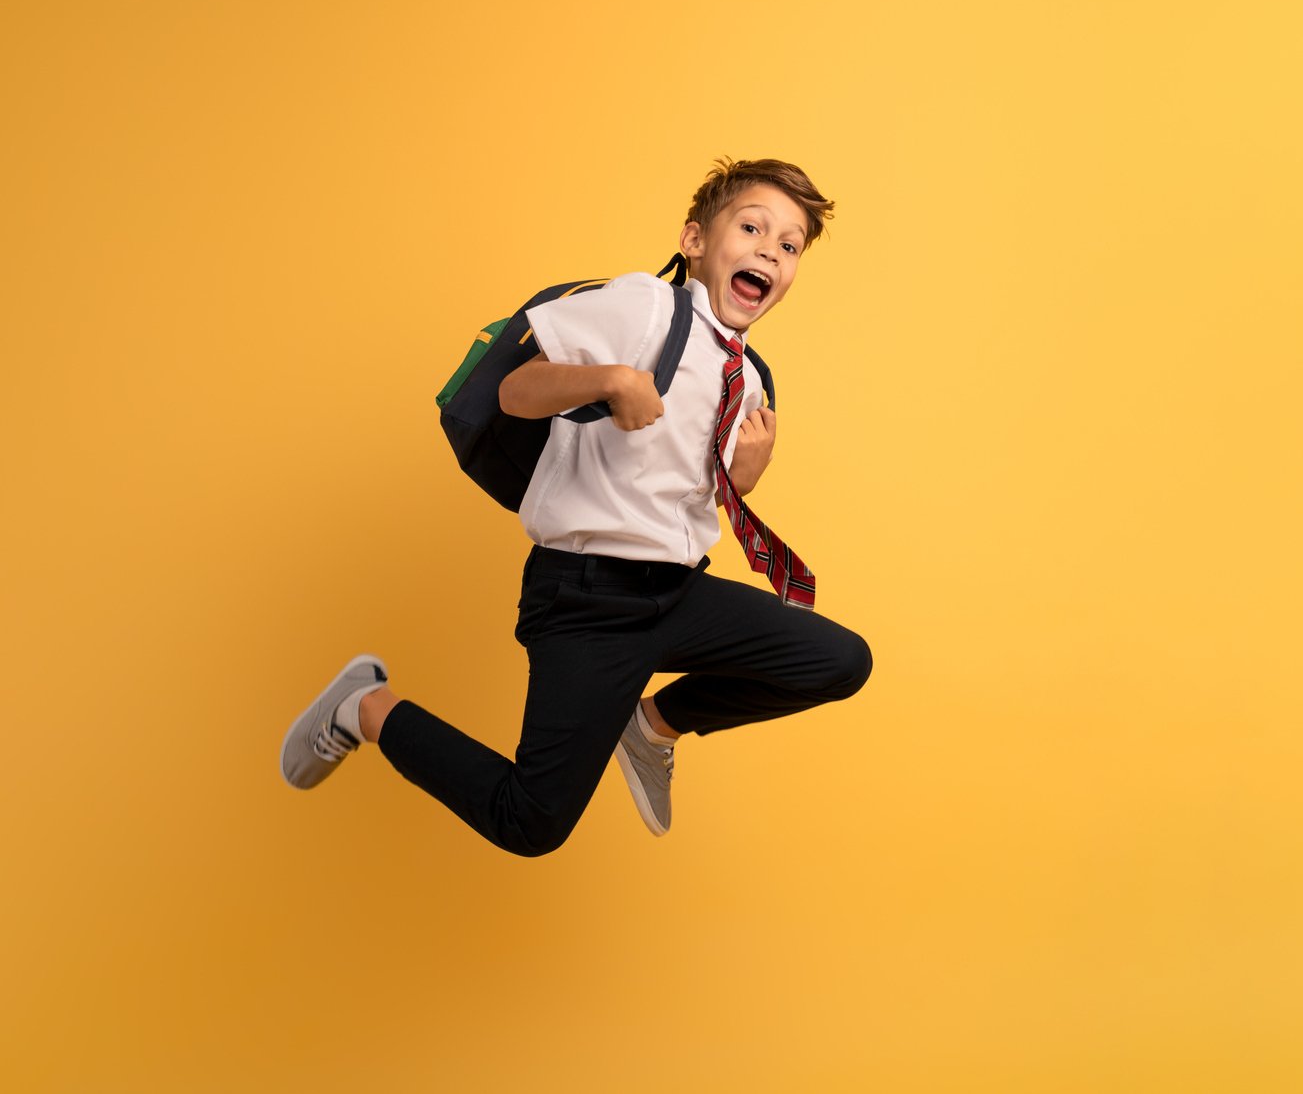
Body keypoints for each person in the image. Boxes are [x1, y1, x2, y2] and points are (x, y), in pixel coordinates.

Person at [279, 156, 873, 856]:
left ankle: (651, 725)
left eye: (788, 245)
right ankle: (366, 707)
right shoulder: (644, 306)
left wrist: (744, 475)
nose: (768, 251)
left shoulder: (744, 372)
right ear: (694, 241)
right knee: (530, 824)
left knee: (838, 660)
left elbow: (672, 488)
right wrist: (612, 380)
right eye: (751, 227)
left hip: (675, 592)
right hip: (586, 599)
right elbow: (516, 392)